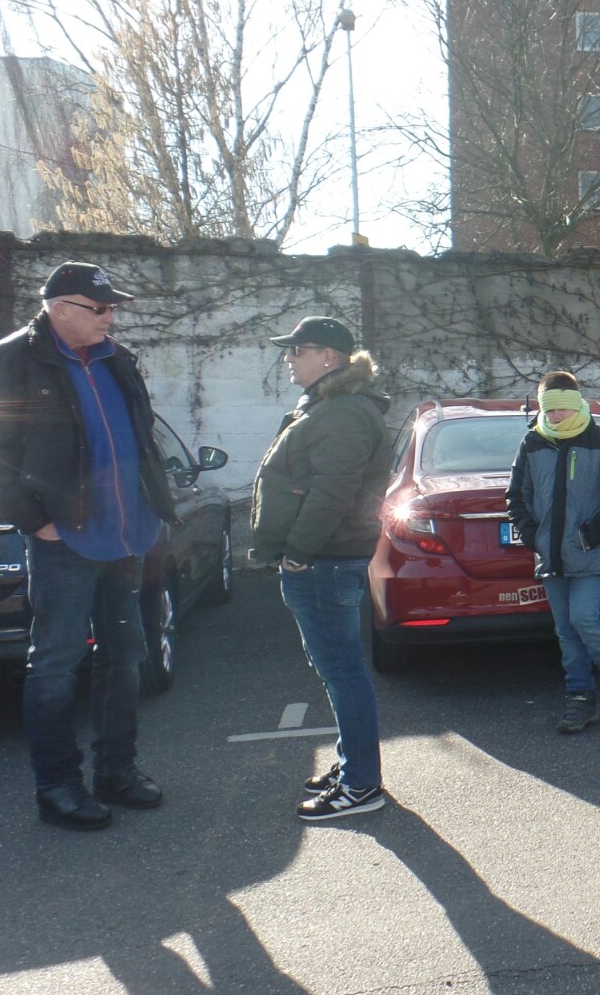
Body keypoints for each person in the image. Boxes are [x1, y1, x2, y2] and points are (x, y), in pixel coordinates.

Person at [0, 261, 179, 831]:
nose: (111, 317)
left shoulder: (118, 359)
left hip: (127, 534)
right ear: (61, 309)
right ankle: (58, 786)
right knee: (56, 664)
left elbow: (142, 437)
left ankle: (117, 771)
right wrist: (36, 522)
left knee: (125, 656)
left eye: (113, 308)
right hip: (64, 539)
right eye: (100, 308)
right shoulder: (12, 360)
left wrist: (154, 504)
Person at [252, 316, 394, 821]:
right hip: (326, 557)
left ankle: (361, 785)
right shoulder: (331, 404)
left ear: (328, 358)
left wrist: (297, 551)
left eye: (298, 350)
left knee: (342, 670)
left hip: (325, 560)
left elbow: (333, 490)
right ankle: (353, 764)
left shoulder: (342, 412)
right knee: (338, 669)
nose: (290, 358)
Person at [506, 370, 600, 734]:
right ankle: (580, 699)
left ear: (575, 405)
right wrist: (532, 535)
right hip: (549, 554)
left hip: (589, 551)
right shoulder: (532, 443)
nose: (554, 418)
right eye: (549, 412)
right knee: (565, 630)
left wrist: (592, 531)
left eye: (560, 410)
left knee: (584, 617)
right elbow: (516, 497)